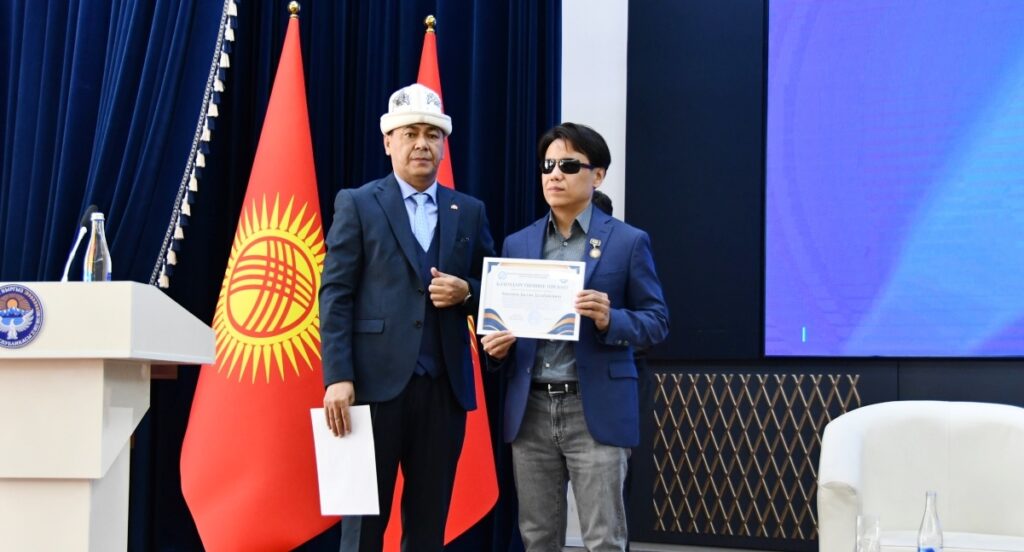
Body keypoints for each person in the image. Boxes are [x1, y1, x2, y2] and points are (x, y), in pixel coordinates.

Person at [319, 83, 495, 552]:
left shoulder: (469, 211)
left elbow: (493, 290)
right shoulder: (357, 203)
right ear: (388, 141)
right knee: (362, 527)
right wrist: (338, 376)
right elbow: (335, 293)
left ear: (444, 145)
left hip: (443, 389)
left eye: (432, 134)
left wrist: (467, 292)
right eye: (410, 133)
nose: (422, 143)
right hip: (370, 387)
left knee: (428, 526)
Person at [481, 122, 669, 551]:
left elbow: (657, 321)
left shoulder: (627, 242)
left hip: (594, 407)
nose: (554, 175)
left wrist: (610, 319)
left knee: (604, 539)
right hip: (530, 409)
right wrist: (496, 348)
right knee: (537, 538)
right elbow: (502, 330)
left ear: (597, 175)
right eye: (547, 165)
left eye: (568, 165)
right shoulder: (517, 244)